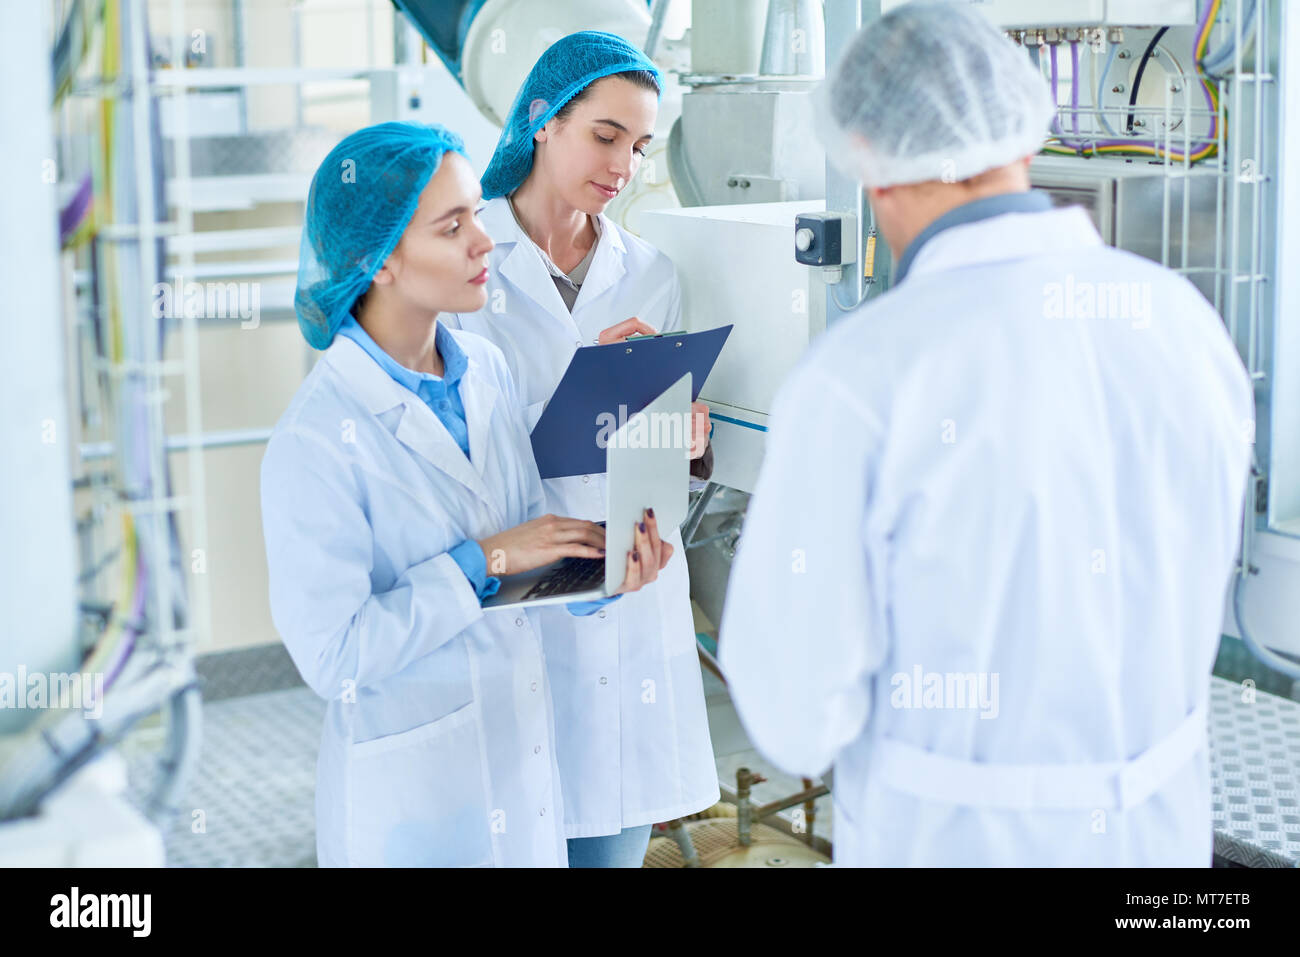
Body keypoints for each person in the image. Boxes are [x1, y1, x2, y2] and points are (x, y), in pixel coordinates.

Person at [719, 2, 1254, 866]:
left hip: (955, 841)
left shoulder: (862, 376)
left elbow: (793, 708)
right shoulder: (1184, 323)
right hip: (1158, 844)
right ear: (1019, 128)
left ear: (869, 159)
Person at [260, 121, 671, 867]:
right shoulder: (316, 439)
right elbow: (336, 655)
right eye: (453, 228)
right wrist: (479, 558)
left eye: (475, 216)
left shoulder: (484, 368)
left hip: (519, 769)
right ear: (378, 260)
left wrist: (597, 574)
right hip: (414, 804)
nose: (484, 244)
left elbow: (521, 543)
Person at [444, 31, 720, 868]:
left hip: (628, 603)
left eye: (639, 147)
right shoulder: (462, 259)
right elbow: (436, 443)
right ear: (541, 121)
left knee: (609, 838)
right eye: (605, 136)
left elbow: (660, 471)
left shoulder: (653, 274)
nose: (623, 165)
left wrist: (686, 432)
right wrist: (563, 402)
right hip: (508, 601)